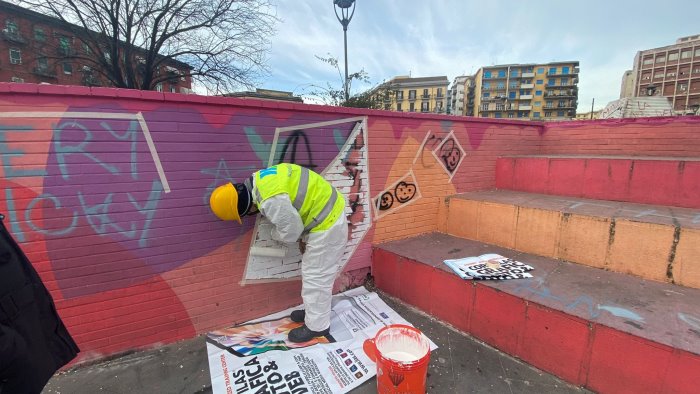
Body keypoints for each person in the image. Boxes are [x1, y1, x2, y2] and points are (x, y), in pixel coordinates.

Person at [209, 163, 348, 343]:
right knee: (313, 275)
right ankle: (314, 313)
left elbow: (291, 230)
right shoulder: (260, 179)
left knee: (316, 277)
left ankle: (317, 326)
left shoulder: (270, 200)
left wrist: (275, 234)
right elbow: (300, 206)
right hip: (326, 215)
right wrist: (304, 238)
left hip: (328, 224)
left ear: (243, 208)